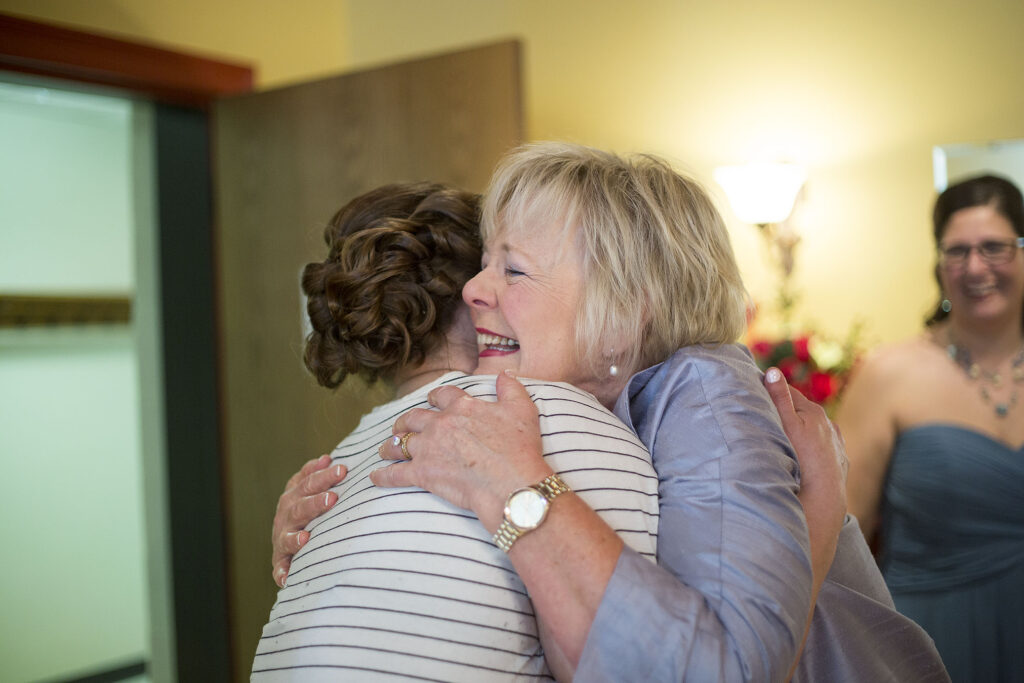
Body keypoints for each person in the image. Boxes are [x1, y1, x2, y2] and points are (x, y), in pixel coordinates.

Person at [274, 143, 947, 681]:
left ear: (623, 313)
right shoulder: (587, 411)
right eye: (484, 265)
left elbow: (732, 668)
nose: (473, 291)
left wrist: (516, 488)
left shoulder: (705, 391)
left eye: (514, 270)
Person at [252, 182, 661, 681]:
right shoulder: (542, 413)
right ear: (468, 291)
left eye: (512, 271)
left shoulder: (339, 465)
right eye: (494, 268)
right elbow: (639, 658)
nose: (487, 290)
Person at [836, 173, 1024, 682]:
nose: (975, 267)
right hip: (933, 640)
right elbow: (838, 536)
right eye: (956, 251)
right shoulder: (889, 373)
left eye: (994, 248)